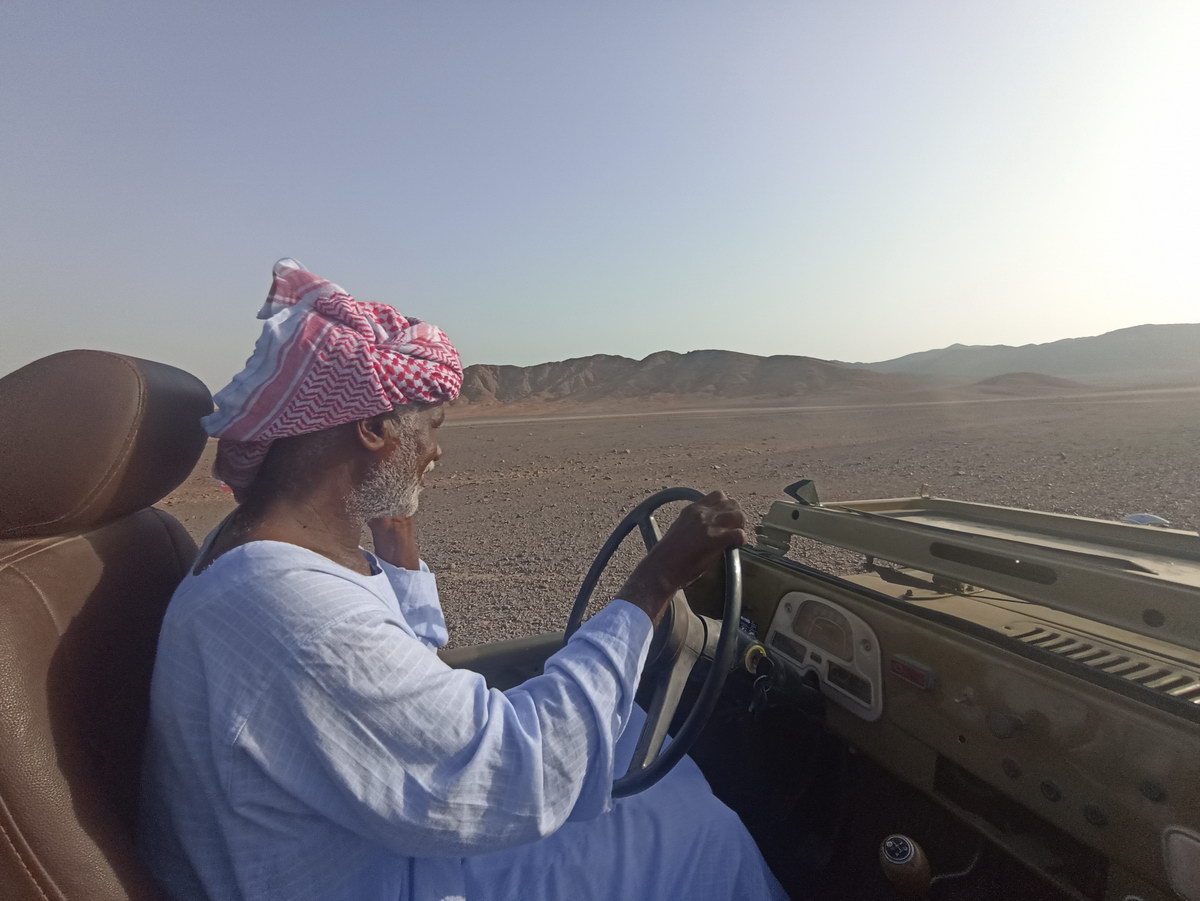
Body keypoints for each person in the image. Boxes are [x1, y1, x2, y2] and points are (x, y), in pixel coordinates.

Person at [136, 259, 788, 901]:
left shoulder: (264, 552)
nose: (436, 451)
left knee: (639, 753)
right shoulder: (298, 617)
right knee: (703, 829)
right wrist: (654, 583)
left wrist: (395, 537)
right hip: (395, 873)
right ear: (372, 427)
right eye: (431, 428)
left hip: (378, 845)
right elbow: (516, 771)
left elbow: (396, 677)